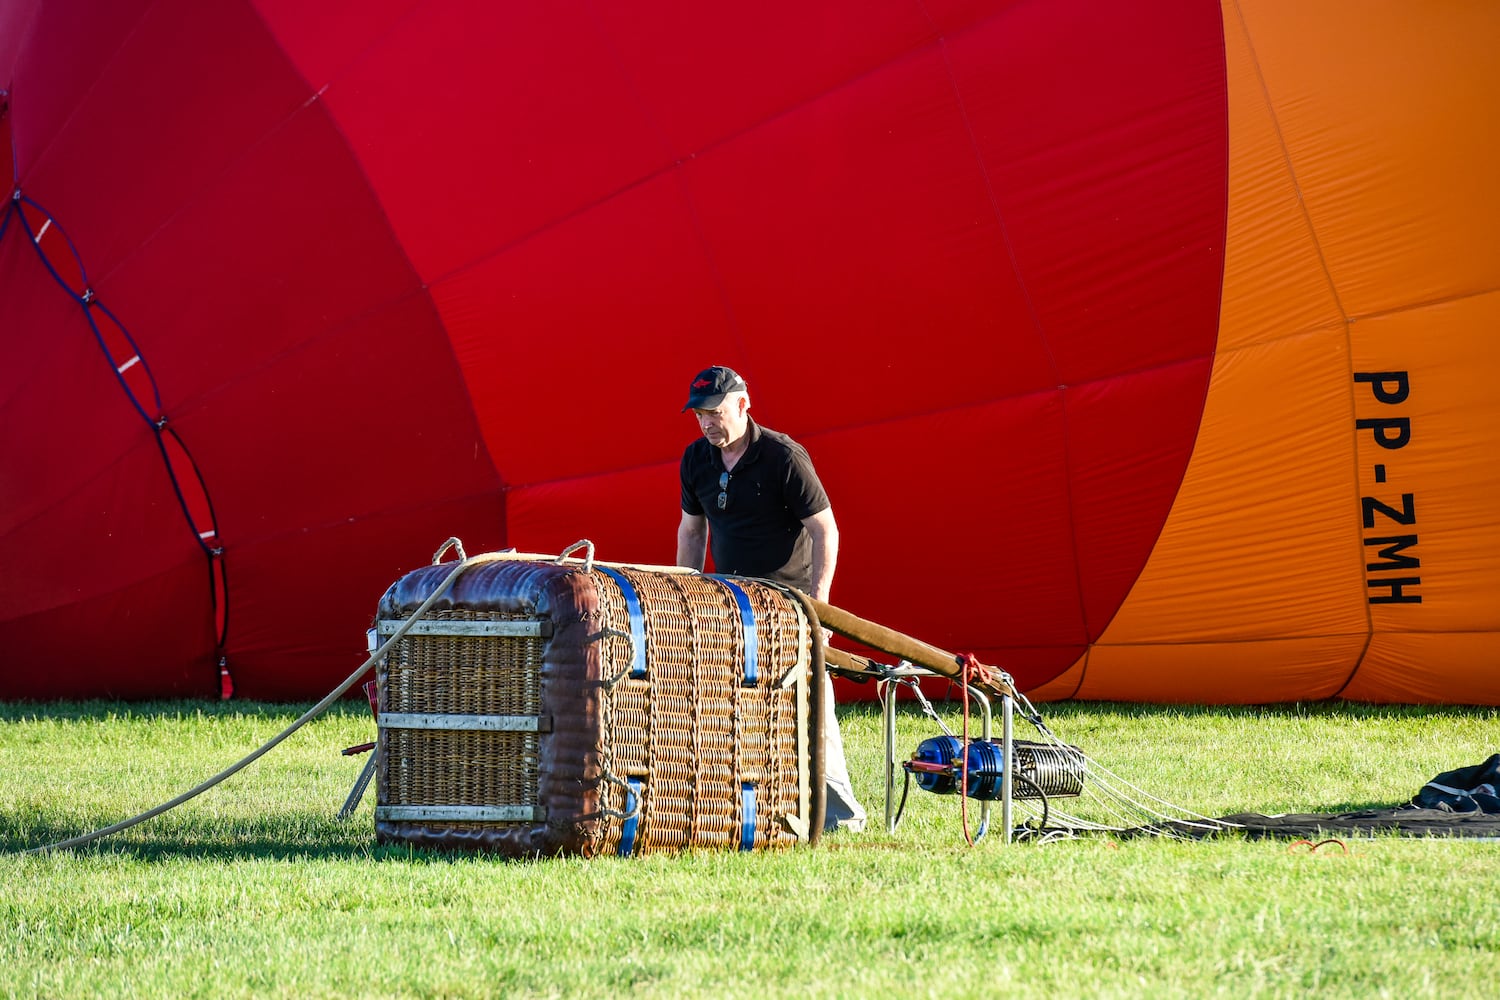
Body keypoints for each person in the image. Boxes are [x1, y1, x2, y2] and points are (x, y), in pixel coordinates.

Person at [676, 365, 867, 833]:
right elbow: (691, 530)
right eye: (699, 415)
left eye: (715, 413)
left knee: (808, 705)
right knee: (724, 708)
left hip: (787, 601)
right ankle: (740, 811)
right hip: (725, 602)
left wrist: (816, 606)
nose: (706, 423)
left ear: (744, 405)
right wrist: (680, 599)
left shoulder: (783, 456)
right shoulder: (695, 459)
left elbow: (826, 529)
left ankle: (842, 816)